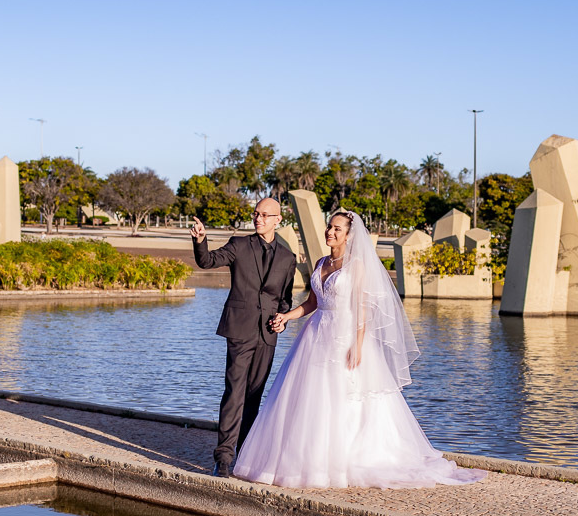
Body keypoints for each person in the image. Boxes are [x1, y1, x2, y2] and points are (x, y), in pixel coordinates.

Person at [233, 210, 486, 489]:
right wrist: (287, 316)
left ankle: (343, 463)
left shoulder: (357, 266)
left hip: (344, 336)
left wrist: (359, 344)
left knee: (344, 399)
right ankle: (304, 462)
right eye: (330, 226)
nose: (331, 232)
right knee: (309, 398)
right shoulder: (321, 262)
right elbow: (313, 302)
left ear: (350, 235)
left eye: (337, 229)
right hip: (315, 334)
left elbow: (361, 308)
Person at [191, 198, 297, 478]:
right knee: (234, 393)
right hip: (239, 330)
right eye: (256, 213)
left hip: (267, 334)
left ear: (278, 219)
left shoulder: (288, 258)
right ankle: (224, 458)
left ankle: (246, 454)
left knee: (254, 396)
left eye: (265, 215)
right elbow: (207, 261)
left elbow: (284, 300)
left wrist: (282, 321)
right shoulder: (239, 245)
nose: (258, 218)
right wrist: (201, 240)